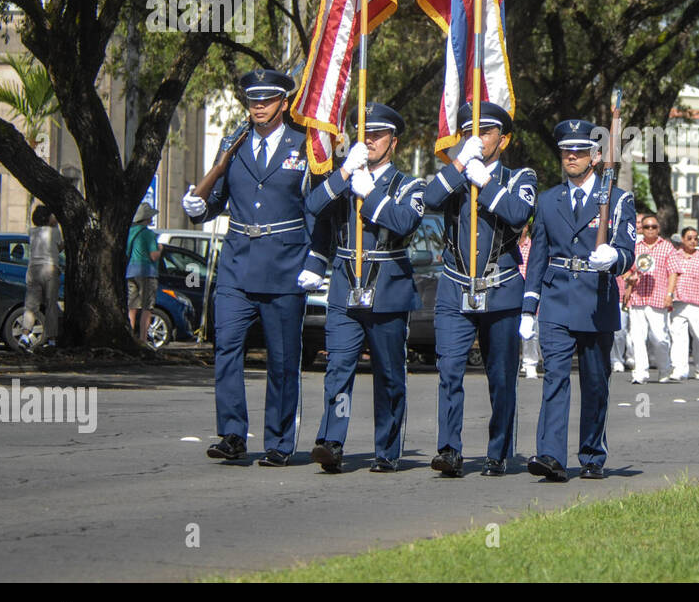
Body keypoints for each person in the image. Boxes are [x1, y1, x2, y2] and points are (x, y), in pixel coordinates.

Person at [183, 69, 329, 466]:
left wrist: (317, 259)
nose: (259, 107)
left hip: (285, 265)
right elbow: (216, 197)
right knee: (226, 348)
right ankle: (232, 433)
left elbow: (317, 209)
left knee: (283, 360)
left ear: (283, 103)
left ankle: (280, 441)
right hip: (236, 263)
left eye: (266, 100)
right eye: (253, 101)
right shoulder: (235, 143)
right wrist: (200, 208)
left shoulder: (306, 145)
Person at [408, 100, 536, 476]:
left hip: (502, 288)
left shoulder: (519, 177)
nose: (477, 139)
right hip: (454, 288)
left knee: (500, 376)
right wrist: (461, 165)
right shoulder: (454, 175)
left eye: (485, 132)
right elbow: (430, 200)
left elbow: (517, 213)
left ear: (504, 138)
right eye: (468, 133)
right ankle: (449, 449)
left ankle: (498, 451)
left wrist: (487, 183)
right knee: (448, 369)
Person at [304, 103, 429, 473]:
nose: (370, 140)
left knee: (389, 373)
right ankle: (331, 442)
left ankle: (387, 449)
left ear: (394, 142)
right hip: (345, 284)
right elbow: (313, 205)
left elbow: (405, 221)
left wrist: (371, 194)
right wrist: (344, 171)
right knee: (339, 366)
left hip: (388, 286)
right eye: (365, 134)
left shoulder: (410, 185)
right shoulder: (344, 180)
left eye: (378, 135)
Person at [520, 118, 635, 481]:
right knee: (554, 375)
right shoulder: (548, 200)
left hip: (596, 300)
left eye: (579, 151)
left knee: (595, 382)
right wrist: (529, 306)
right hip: (555, 299)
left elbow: (629, 250)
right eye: (566, 151)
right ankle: (550, 455)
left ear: (596, 156)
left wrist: (615, 258)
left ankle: (591, 454)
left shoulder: (616, 199)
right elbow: (538, 255)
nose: (571, 156)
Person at [624, 212, 675, 383]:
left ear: (658, 228)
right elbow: (628, 270)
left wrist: (670, 294)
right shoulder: (636, 247)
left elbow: (673, 272)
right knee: (637, 337)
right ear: (642, 229)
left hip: (658, 298)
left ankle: (664, 367)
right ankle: (640, 372)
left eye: (654, 227)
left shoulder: (667, 247)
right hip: (638, 297)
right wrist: (629, 279)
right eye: (647, 227)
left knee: (659, 337)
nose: (650, 230)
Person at [664, 226, 699, 380]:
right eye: (689, 238)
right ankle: (679, 369)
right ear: (682, 239)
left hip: (698, 304)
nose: (693, 241)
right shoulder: (674, 256)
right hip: (679, 303)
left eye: (695, 238)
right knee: (678, 337)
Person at [23, 205, 63, 348]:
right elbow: (60, 248)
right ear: (48, 218)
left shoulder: (32, 232)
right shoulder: (54, 232)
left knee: (30, 306)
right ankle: (51, 340)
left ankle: (25, 335)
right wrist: (56, 224)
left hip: (34, 269)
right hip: (50, 268)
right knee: (51, 305)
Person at [126, 203, 164, 345]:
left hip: (131, 272)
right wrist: (160, 249)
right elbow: (153, 256)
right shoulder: (149, 234)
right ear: (147, 219)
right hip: (147, 272)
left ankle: (130, 336)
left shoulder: (131, 232)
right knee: (147, 307)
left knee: (132, 306)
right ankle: (142, 339)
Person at [518, 220, 543, 379]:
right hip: (513, 293)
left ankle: (530, 363)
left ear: (527, 228)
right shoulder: (511, 246)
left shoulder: (532, 246)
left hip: (529, 293)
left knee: (530, 332)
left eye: (523, 226)